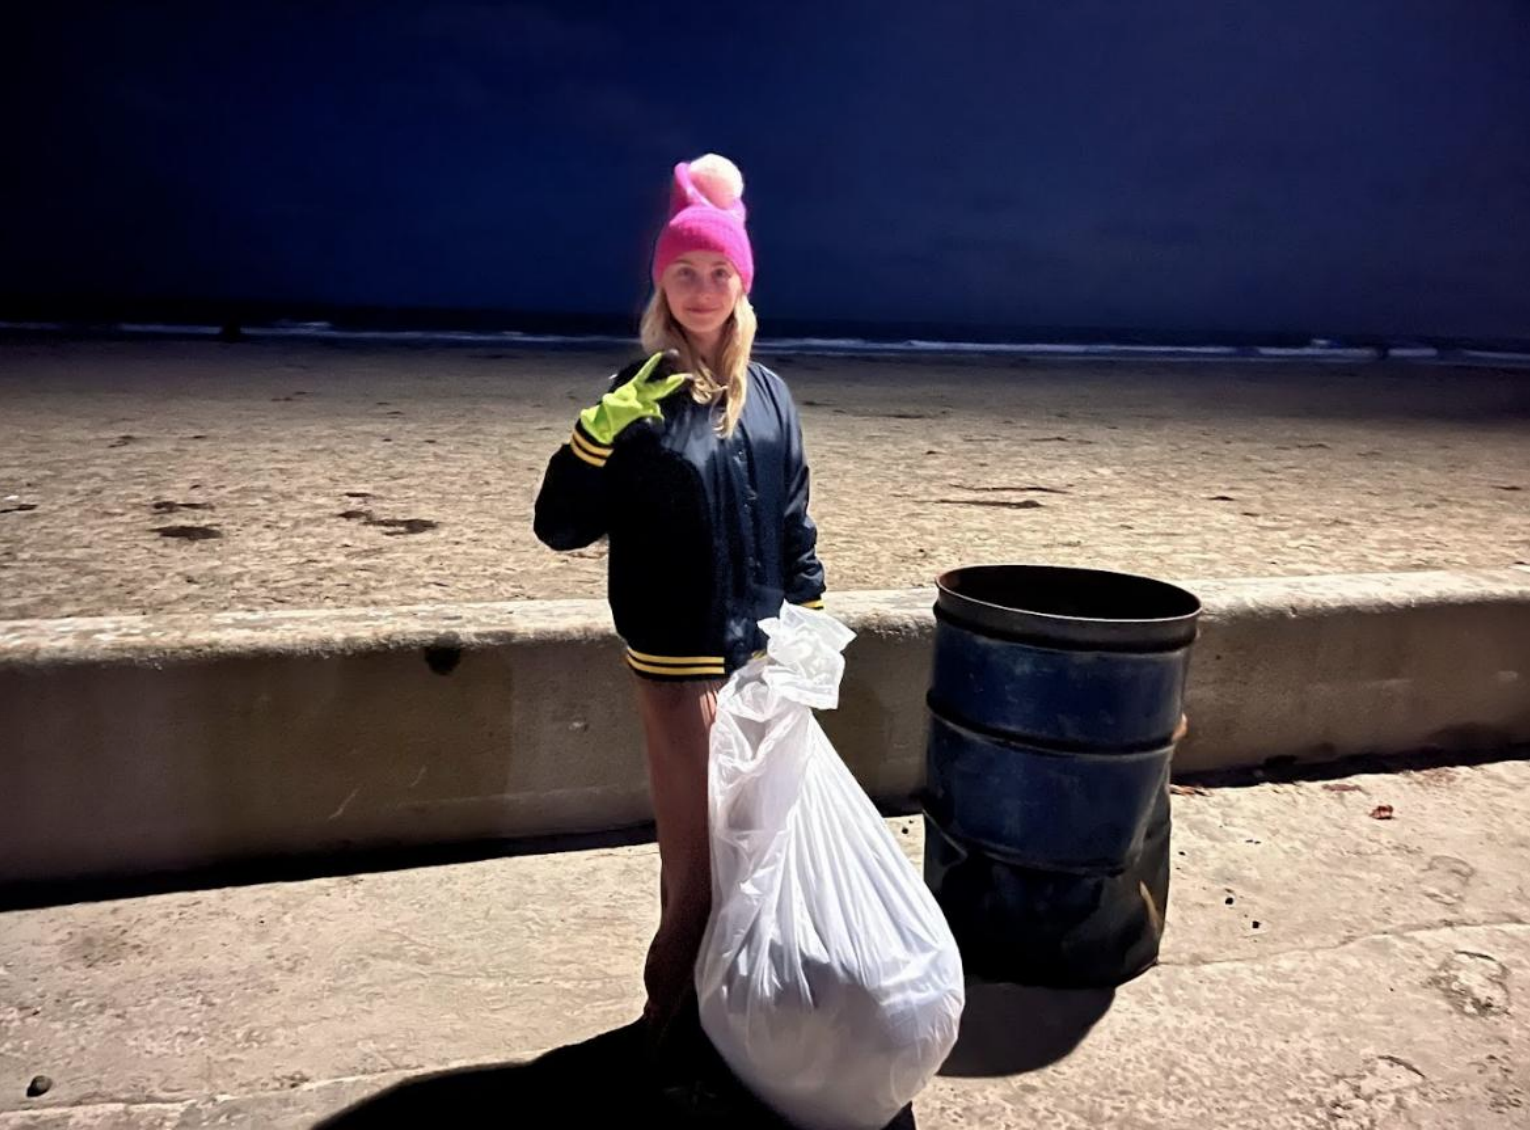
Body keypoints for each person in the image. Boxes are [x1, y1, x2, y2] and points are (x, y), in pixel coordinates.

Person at [533, 154, 828, 1093]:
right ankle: (672, 1038)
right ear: (661, 285)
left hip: (760, 656)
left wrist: (810, 618)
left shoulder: (770, 393)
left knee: (761, 853)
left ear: (743, 283)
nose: (702, 289)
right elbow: (559, 526)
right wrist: (594, 436)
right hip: (676, 663)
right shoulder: (640, 391)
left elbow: (793, 518)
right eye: (684, 272)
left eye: (718, 271)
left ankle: (744, 1022)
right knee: (700, 865)